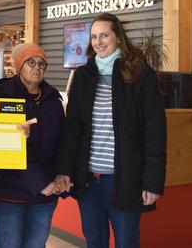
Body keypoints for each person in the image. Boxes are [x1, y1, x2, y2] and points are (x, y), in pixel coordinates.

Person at [54, 13, 167, 248]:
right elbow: (72, 128)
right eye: (94, 36)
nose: (98, 41)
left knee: (126, 242)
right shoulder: (84, 75)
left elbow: (154, 131)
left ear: (118, 37)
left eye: (104, 35)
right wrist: (64, 170)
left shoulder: (139, 74)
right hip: (88, 181)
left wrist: (152, 182)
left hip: (125, 178)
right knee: (95, 241)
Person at [0, 43, 65, 248]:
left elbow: (61, 142)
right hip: (9, 191)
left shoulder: (52, 101)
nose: (37, 67)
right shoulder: (2, 96)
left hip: (45, 194)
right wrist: (39, 181)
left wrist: (62, 174)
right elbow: (3, 146)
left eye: (42, 63)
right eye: (31, 62)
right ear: (19, 66)